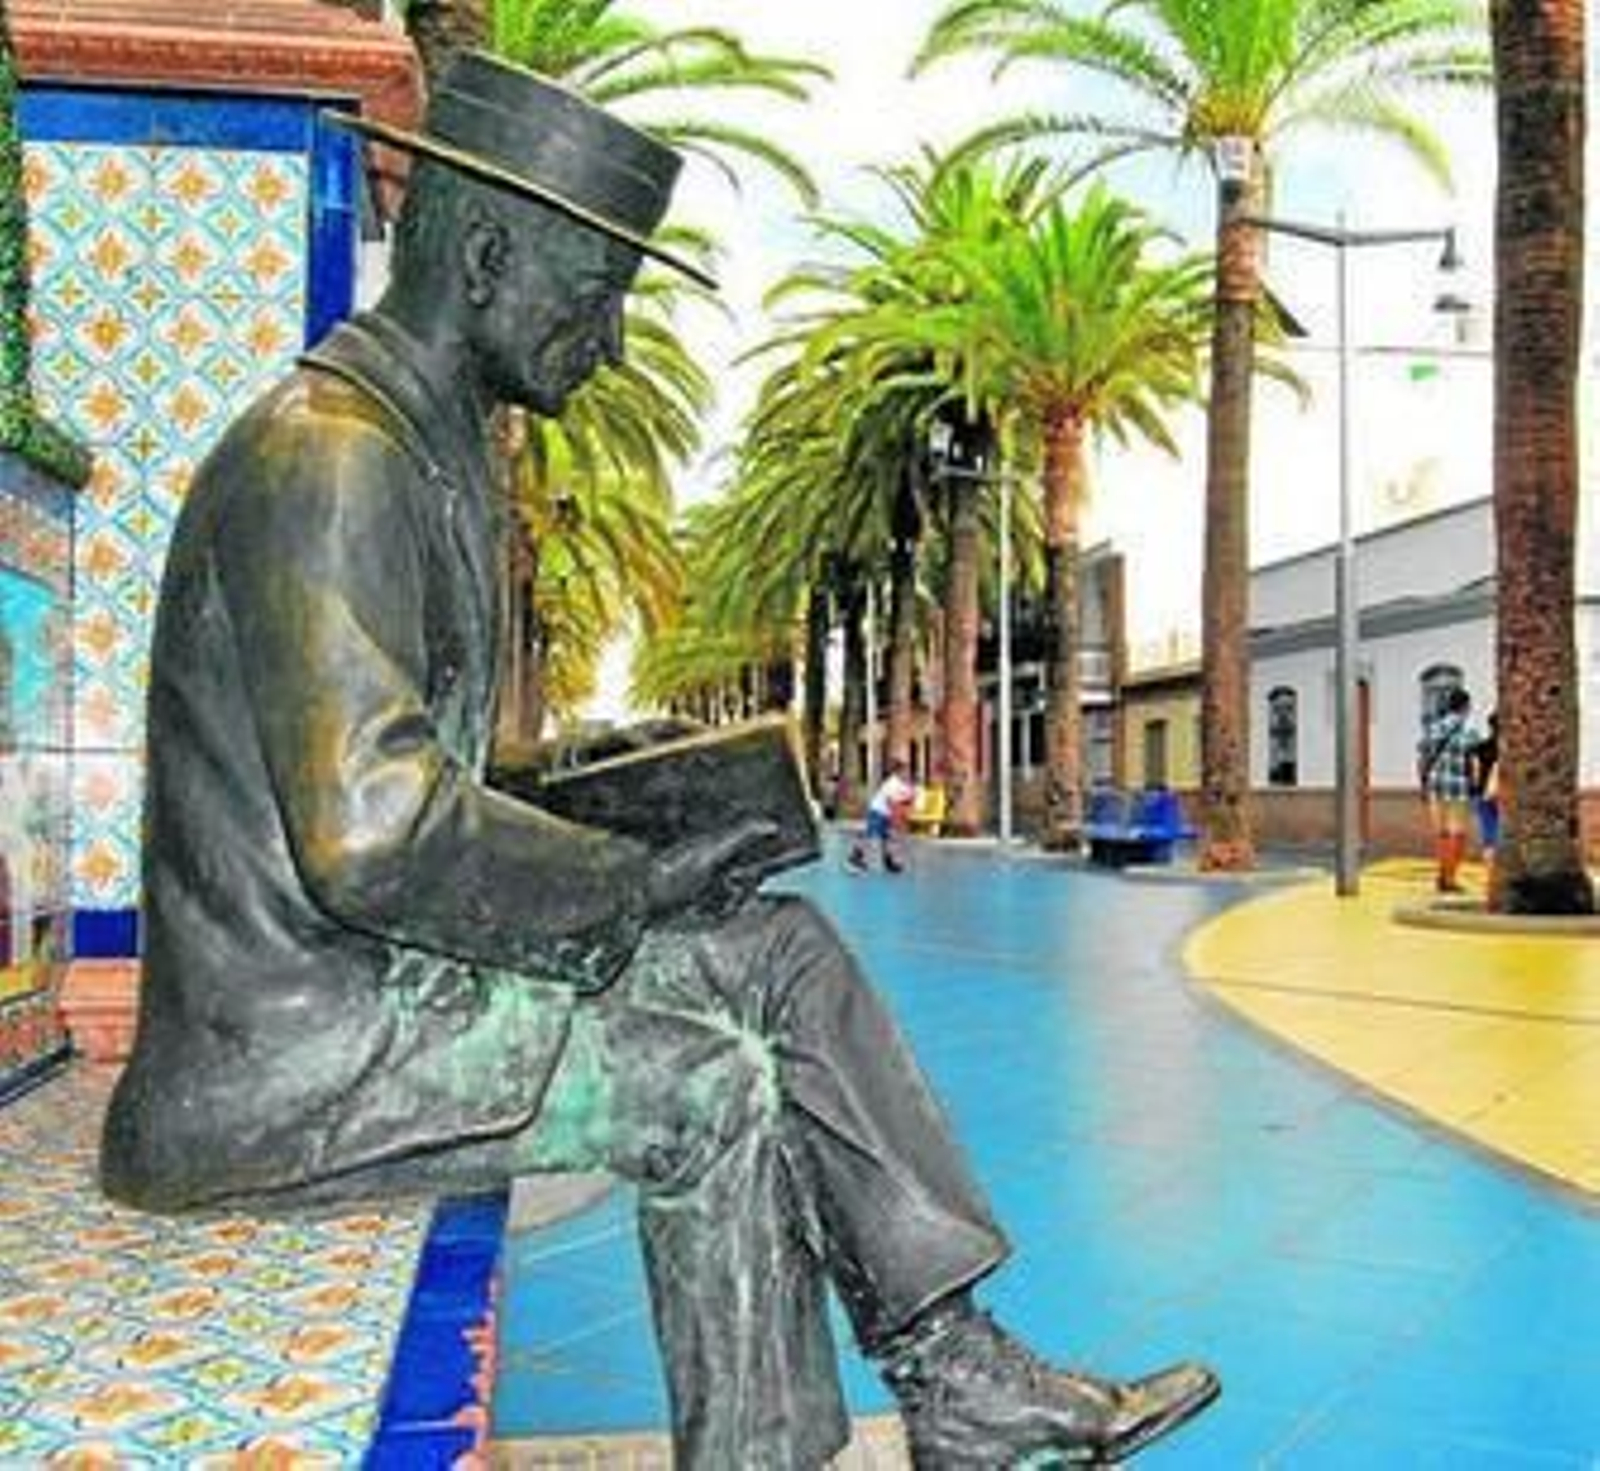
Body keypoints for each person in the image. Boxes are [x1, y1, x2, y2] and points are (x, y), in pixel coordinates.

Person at [98, 51, 1218, 1469]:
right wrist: (627, 876)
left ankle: (957, 1370)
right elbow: (376, 830)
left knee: (782, 954)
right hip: (284, 1055)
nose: (613, 341)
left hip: (376, 989)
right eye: (596, 293)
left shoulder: (420, 446)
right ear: (489, 249)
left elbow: (412, 767)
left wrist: (624, 784)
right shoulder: (331, 460)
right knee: (709, 1085)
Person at [1417, 685, 1479, 893]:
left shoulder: (1433, 728)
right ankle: (1449, 877)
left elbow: (1422, 757)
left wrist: (1423, 784)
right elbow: (1475, 762)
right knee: (1457, 833)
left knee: (1441, 833)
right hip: (1458, 786)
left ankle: (1443, 874)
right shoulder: (1470, 731)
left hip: (1435, 784)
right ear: (1466, 707)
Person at [848, 758, 917, 873]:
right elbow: (892, 804)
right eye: (905, 771)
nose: (908, 773)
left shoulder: (904, 785)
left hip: (886, 813)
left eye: (908, 771)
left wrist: (909, 803)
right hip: (878, 812)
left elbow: (910, 799)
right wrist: (899, 820)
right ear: (898, 772)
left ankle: (888, 862)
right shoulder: (891, 784)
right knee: (871, 835)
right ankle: (855, 856)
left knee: (887, 838)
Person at [1472, 711, 1501, 882]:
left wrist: (1479, 790)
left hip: (1483, 795)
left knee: (1489, 836)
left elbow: (1475, 774)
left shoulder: (1480, 747)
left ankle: (1491, 876)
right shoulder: (1514, 748)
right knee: (1503, 837)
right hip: (1505, 797)